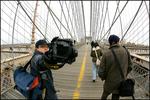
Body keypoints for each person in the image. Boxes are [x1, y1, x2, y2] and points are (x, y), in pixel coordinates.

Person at [98, 35, 133, 99]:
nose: (119, 43)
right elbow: (130, 66)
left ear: (111, 43)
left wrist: (104, 77)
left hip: (109, 82)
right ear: (114, 42)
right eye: (118, 41)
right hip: (121, 82)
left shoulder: (106, 54)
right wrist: (125, 74)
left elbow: (100, 72)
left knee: (104, 95)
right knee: (116, 97)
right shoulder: (125, 51)